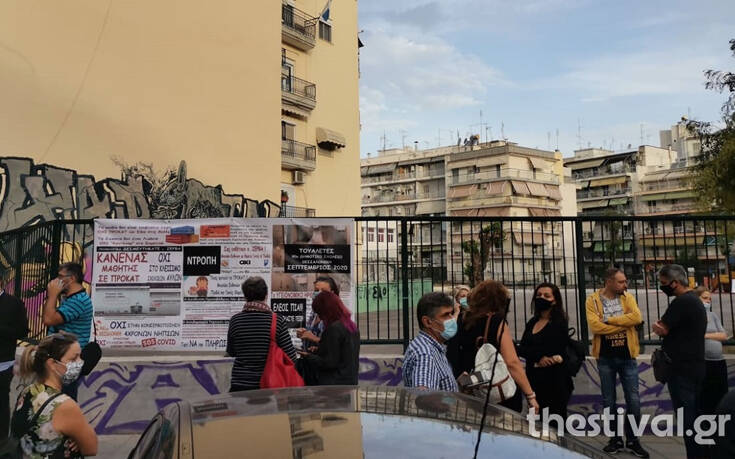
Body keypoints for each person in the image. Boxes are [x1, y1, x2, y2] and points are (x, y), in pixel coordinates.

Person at [447, 280, 539, 413]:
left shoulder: (462, 319)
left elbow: (452, 352)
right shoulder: (496, 321)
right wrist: (530, 395)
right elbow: (512, 362)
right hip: (497, 391)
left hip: (472, 388)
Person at [585, 267, 648, 458]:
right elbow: (595, 327)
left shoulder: (627, 297)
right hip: (605, 358)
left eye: (625, 281)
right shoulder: (592, 300)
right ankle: (615, 439)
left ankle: (633, 439)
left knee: (634, 400)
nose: (625, 285)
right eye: (621, 282)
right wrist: (623, 324)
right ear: (609, 282)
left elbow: (637, 317)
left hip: (627, 357)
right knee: (608, 401)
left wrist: (609, 321)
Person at [10, 331, 97, 458]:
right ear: (52, 364)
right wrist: (78, 439)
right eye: (73, 359)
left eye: (80, 357)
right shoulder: (65, 405)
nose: (80, 363)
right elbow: (91, 447)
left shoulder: (28, 391)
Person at [652, 264, 707, 459]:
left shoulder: (681, 302)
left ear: (675, 283)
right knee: (695, 416)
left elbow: (662, 328)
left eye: (664, 283)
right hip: (695, 366)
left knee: (687, 418)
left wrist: (656, 326)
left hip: (681, 370)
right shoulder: (694, 300)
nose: (662, 287)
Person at [226, 277, 298, 392]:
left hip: (240, 383)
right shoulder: (277, 321)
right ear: (266, 295)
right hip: (269, 384)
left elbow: (231, 352)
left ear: (245, 296)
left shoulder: (235, 320)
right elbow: (290, 356)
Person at [517, 283, 573, 419]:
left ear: (554, 301)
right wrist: (538, 357)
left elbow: (555, 348)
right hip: (534, 381)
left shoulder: (559, 323)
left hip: (554, 382)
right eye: (538, 295)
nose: (541, 298)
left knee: (554, 422)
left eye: (546, 296)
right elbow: (522, 348)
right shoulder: (532, 322)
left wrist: (537, 355)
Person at [43, 263, 93, 401]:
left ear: (71, 278)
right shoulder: (71, 298)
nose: (56, 281)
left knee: (62, 400)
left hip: (66, 362)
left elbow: (48, 319)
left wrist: (52, 295)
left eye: (60, 277)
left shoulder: (78, 301)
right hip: (60, 359)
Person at [297, 291, 360, 385]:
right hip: (350, 380)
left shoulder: (333, 329)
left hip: (334, 383)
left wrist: (308, 356)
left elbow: (328, 363)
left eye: (320, 313)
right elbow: (342, 352)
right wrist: (319, 349)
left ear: (326, 311)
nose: (320, 317)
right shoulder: (351, 326)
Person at [403, 292, 461, 391]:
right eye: (446, 315)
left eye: (451, 313)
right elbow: (424, 397)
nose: (452, 319)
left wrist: (456, 386)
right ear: (427, 322)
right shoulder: (425, 355)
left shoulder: (431, 346)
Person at [0, 284, 28, 448]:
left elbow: (23, 331)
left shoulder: (14, 303)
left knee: (2, 401)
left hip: (3, 363)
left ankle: (2, 441)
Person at [694, 287, 729, 417]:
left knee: (720, 392)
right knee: (705, 394)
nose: (708, 301)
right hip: (704, 361)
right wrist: (713, 334)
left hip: (719, 361)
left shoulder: (713, 315)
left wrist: (707, 335)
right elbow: (694, 334)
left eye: (709, 299)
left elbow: (724, 335)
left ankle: (719, 419)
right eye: (705, 298)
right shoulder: (694, 316)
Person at [299, 276, 340, 346]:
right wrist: (303, 334)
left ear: (332, 293)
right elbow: (310, 335)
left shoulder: (336, 315)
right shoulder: (314, 312)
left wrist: (314, 338)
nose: (319, 293)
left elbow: (336, 344)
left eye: (323, 291)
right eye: (316, 290)